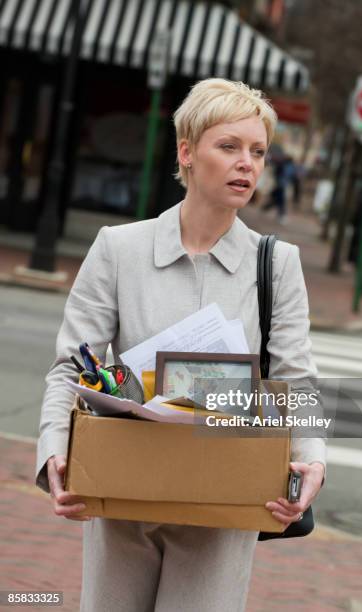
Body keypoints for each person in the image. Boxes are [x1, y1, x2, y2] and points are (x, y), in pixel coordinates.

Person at [36, 78, 326, 612]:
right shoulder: (119, 249)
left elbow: (296, 378)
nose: (248, 163)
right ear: (187, 152)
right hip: (125, 491)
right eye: (230, 146)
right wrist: (56, 454)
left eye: (258, 151)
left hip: (224, 499)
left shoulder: (276, 264)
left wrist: (310, 456)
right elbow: (69, 366)